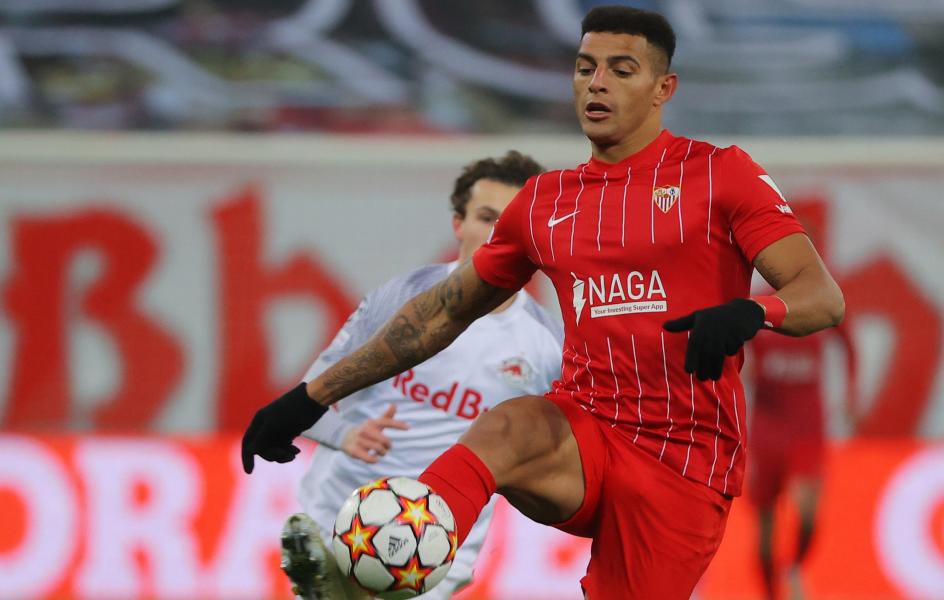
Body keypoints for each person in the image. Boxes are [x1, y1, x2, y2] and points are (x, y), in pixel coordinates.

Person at [242, 6, 846, 599]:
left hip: (683, 460)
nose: (597, 83)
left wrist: (752, 311)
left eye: (621, 69)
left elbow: (821, 297)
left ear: (664, 88)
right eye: (585, 68)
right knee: (510, 422)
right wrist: (309, 398)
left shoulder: (722, 173)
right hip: (585, 430)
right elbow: (442, 311)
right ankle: (391, 563)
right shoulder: (545, 201)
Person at [279, 151, 563, 599]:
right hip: (342, 509)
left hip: (439, 537)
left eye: (510, 223)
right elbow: (302, 404)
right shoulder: (401, 300)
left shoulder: (549, 345)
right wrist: (343, 433)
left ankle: (335, 589)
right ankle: (334, 581)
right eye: (486, 217)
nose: (496, 235)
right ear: (458, 224)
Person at [746, 201, 857, 600]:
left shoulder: (822, 298)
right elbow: (731, 353)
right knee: (764, 525)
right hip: (766, 426)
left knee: (808, 514)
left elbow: (848, 343)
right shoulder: (756, 303)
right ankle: (771, 594)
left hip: (808, 422)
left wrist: (850, 396)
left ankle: (794, 567)